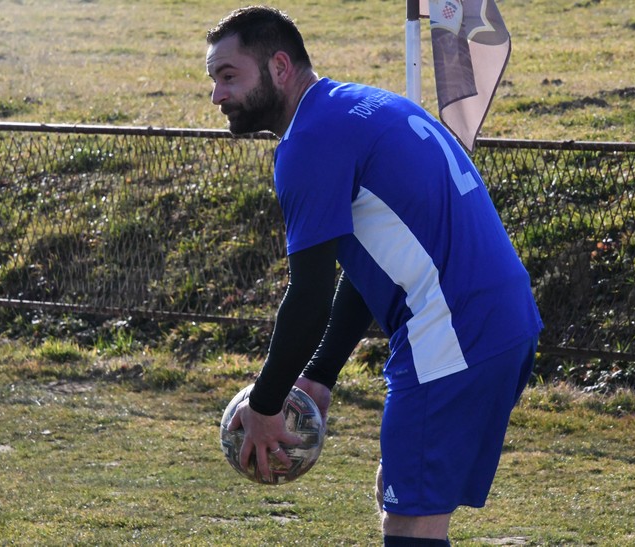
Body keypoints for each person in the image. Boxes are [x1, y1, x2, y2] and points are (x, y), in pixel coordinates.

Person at [205, 6, 543, 546]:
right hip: (497, 322)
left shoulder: (310, 141)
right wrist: (320, 373)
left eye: (229, 76)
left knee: (410, 522)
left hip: (452, 336)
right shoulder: (364, 105)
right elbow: (370, 267)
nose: (217, 96)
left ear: (280, 66)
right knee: (404, 495)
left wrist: (266, 405)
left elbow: (309, 295)